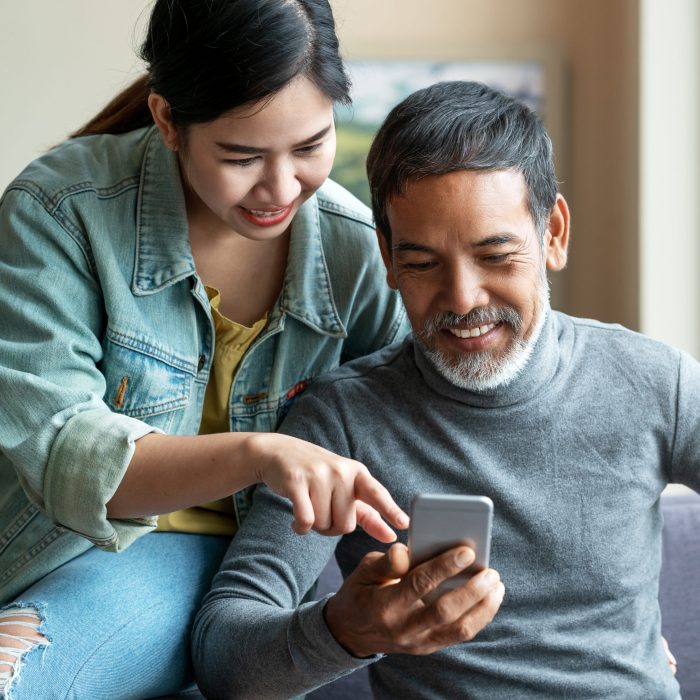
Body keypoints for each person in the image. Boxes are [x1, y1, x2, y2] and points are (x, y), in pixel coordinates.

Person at [192, 80, 695, 699]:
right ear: (387, 257)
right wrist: (347, 631)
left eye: (496, 256)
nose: (462, 300)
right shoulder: (341, 421)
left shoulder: (653, 381)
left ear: (553, 234)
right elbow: (222, 657)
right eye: (423, 263)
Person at [0, 1, 411, 697]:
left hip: (251, 570)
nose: (282, 189)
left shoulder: (353, 249)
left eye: (310, 147)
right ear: (167, 121)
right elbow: (66, 454)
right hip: (78, 547)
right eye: (242, 156)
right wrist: (260, 455)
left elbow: (440, 421)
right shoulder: (61, 209)